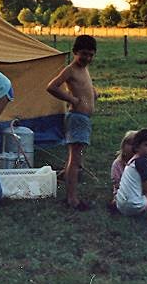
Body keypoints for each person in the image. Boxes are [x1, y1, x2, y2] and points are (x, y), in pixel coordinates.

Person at [45, 35, 99, 211]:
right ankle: (72, 199)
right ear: (75, 52)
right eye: (83, 54)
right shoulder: (71, 69)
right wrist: (72, 99)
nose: (87, 58)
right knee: (74, 160)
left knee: (76, 158)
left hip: (83, 119)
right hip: (76, 117)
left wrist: (92, 92)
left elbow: (83, 86)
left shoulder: (84, 69)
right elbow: (51, 87)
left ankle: (65, 181)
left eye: (91, 55)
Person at [111, 130, 138, 199]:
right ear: (123, 145)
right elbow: (116, 183)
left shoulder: (143, 162)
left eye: (135, 145)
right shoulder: (117, 163)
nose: (132, 147)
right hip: (122, 191)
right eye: (129, 144)